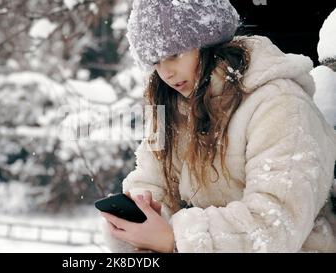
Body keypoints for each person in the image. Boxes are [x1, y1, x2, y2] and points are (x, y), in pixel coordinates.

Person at [100, 0, 336, 253]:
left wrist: (175, 239)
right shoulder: (172, 107)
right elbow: (151, 181)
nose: (166, 73)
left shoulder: (280, 105)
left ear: (210, 44)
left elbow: (276, 223)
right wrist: (143, 214)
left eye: (174, 55)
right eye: (155, 62)